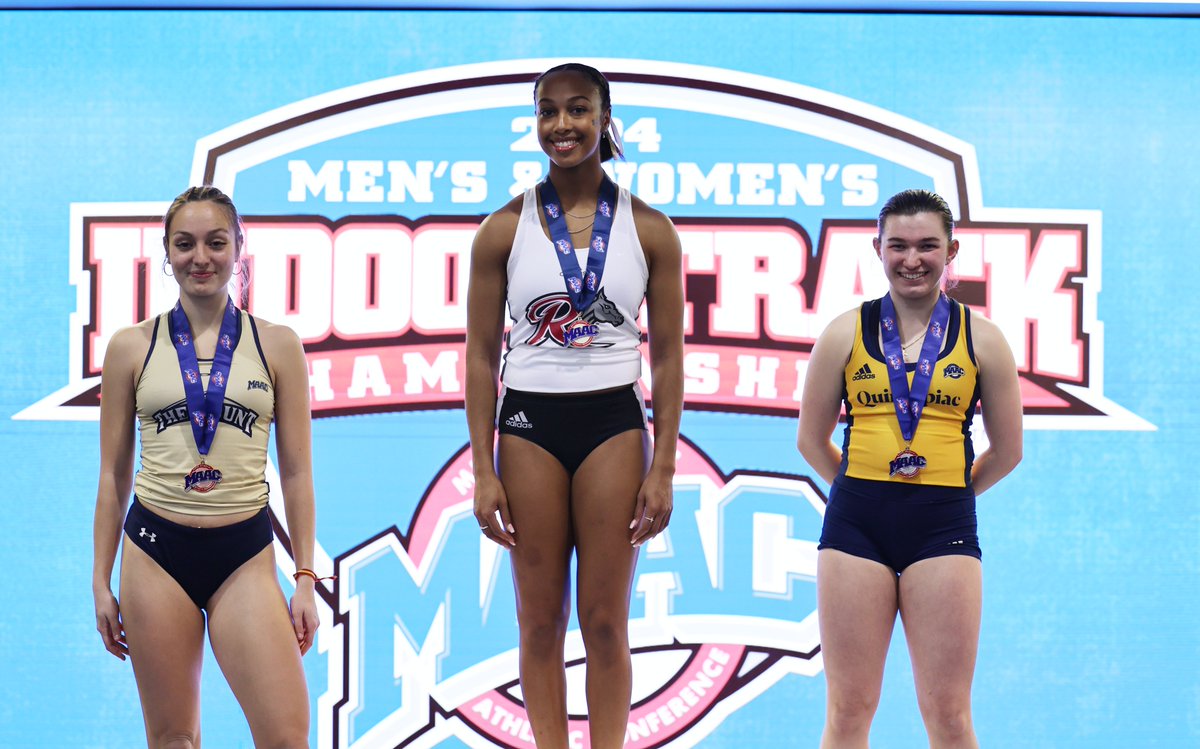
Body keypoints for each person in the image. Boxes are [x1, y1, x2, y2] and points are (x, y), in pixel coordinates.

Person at [464, 63, 684, 749]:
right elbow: (477, 358)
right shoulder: (502, 230)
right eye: (549, 112)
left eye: (578, 110)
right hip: (529, 424)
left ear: (605, 118)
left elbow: (670, 359)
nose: (563, 125)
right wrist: (481, 470)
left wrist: (665, 467)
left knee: (606, 620)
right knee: (537, 621)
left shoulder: (650, 230)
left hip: (614, 424)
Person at [92, 186, 320, 748]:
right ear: (165, 254)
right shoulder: (129, 347)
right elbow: (112, 475)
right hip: (154, 552)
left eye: (216, 242)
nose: (202, 257)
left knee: (287, 738)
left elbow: (296, 472)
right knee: (174, 740)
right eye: (186, 244)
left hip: (243, 553)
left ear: (238, 247)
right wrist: (100, 580)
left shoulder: (279, 345)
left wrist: (306, 579)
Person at [797, 189, 1023, 749]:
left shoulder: (984, 340)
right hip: (855, 529)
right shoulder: (843, 333)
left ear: (952, 252)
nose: (912, 259)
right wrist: (861, 490)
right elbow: (809, 440)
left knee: (948, 715)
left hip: (942, 527)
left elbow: (1009, 450)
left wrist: (945, 495)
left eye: (927, 245)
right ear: (877, 248)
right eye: (898, 245)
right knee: (848, 710)